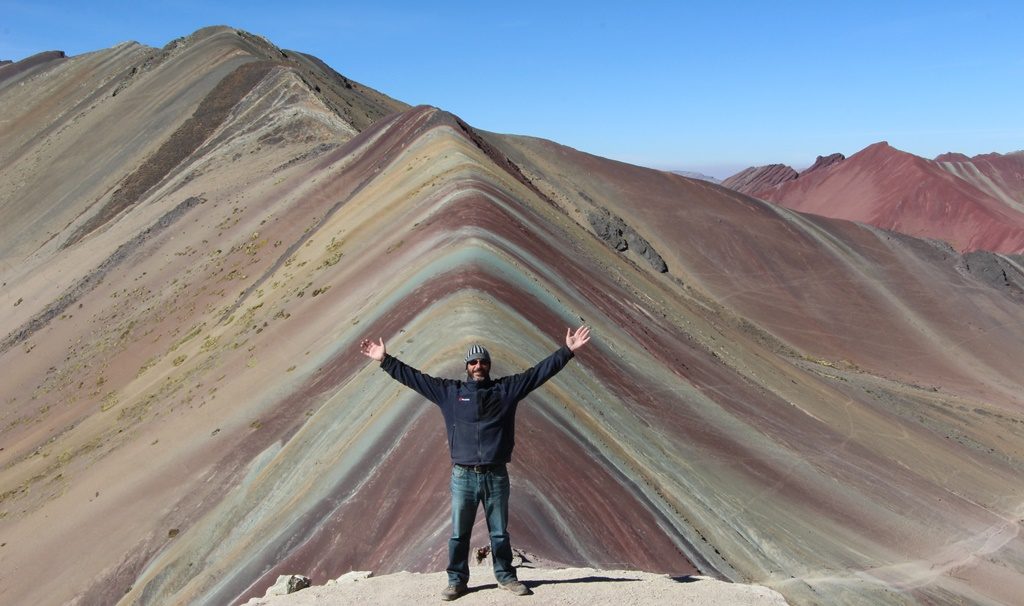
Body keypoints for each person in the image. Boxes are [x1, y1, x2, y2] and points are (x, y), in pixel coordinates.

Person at [359, 326, 591, 600]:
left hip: (495, 475)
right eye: (473, 362)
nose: (478, 365)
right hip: (463, 477)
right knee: (459, 534)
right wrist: (385, 361)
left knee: (499, 533)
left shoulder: (505, 390)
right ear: (466, 367)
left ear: (489, 365)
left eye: (482, 361)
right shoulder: (450, 393)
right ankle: (456, 581)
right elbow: (415, 379)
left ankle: (505, 576)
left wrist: (566, 352)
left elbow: (537, 374)